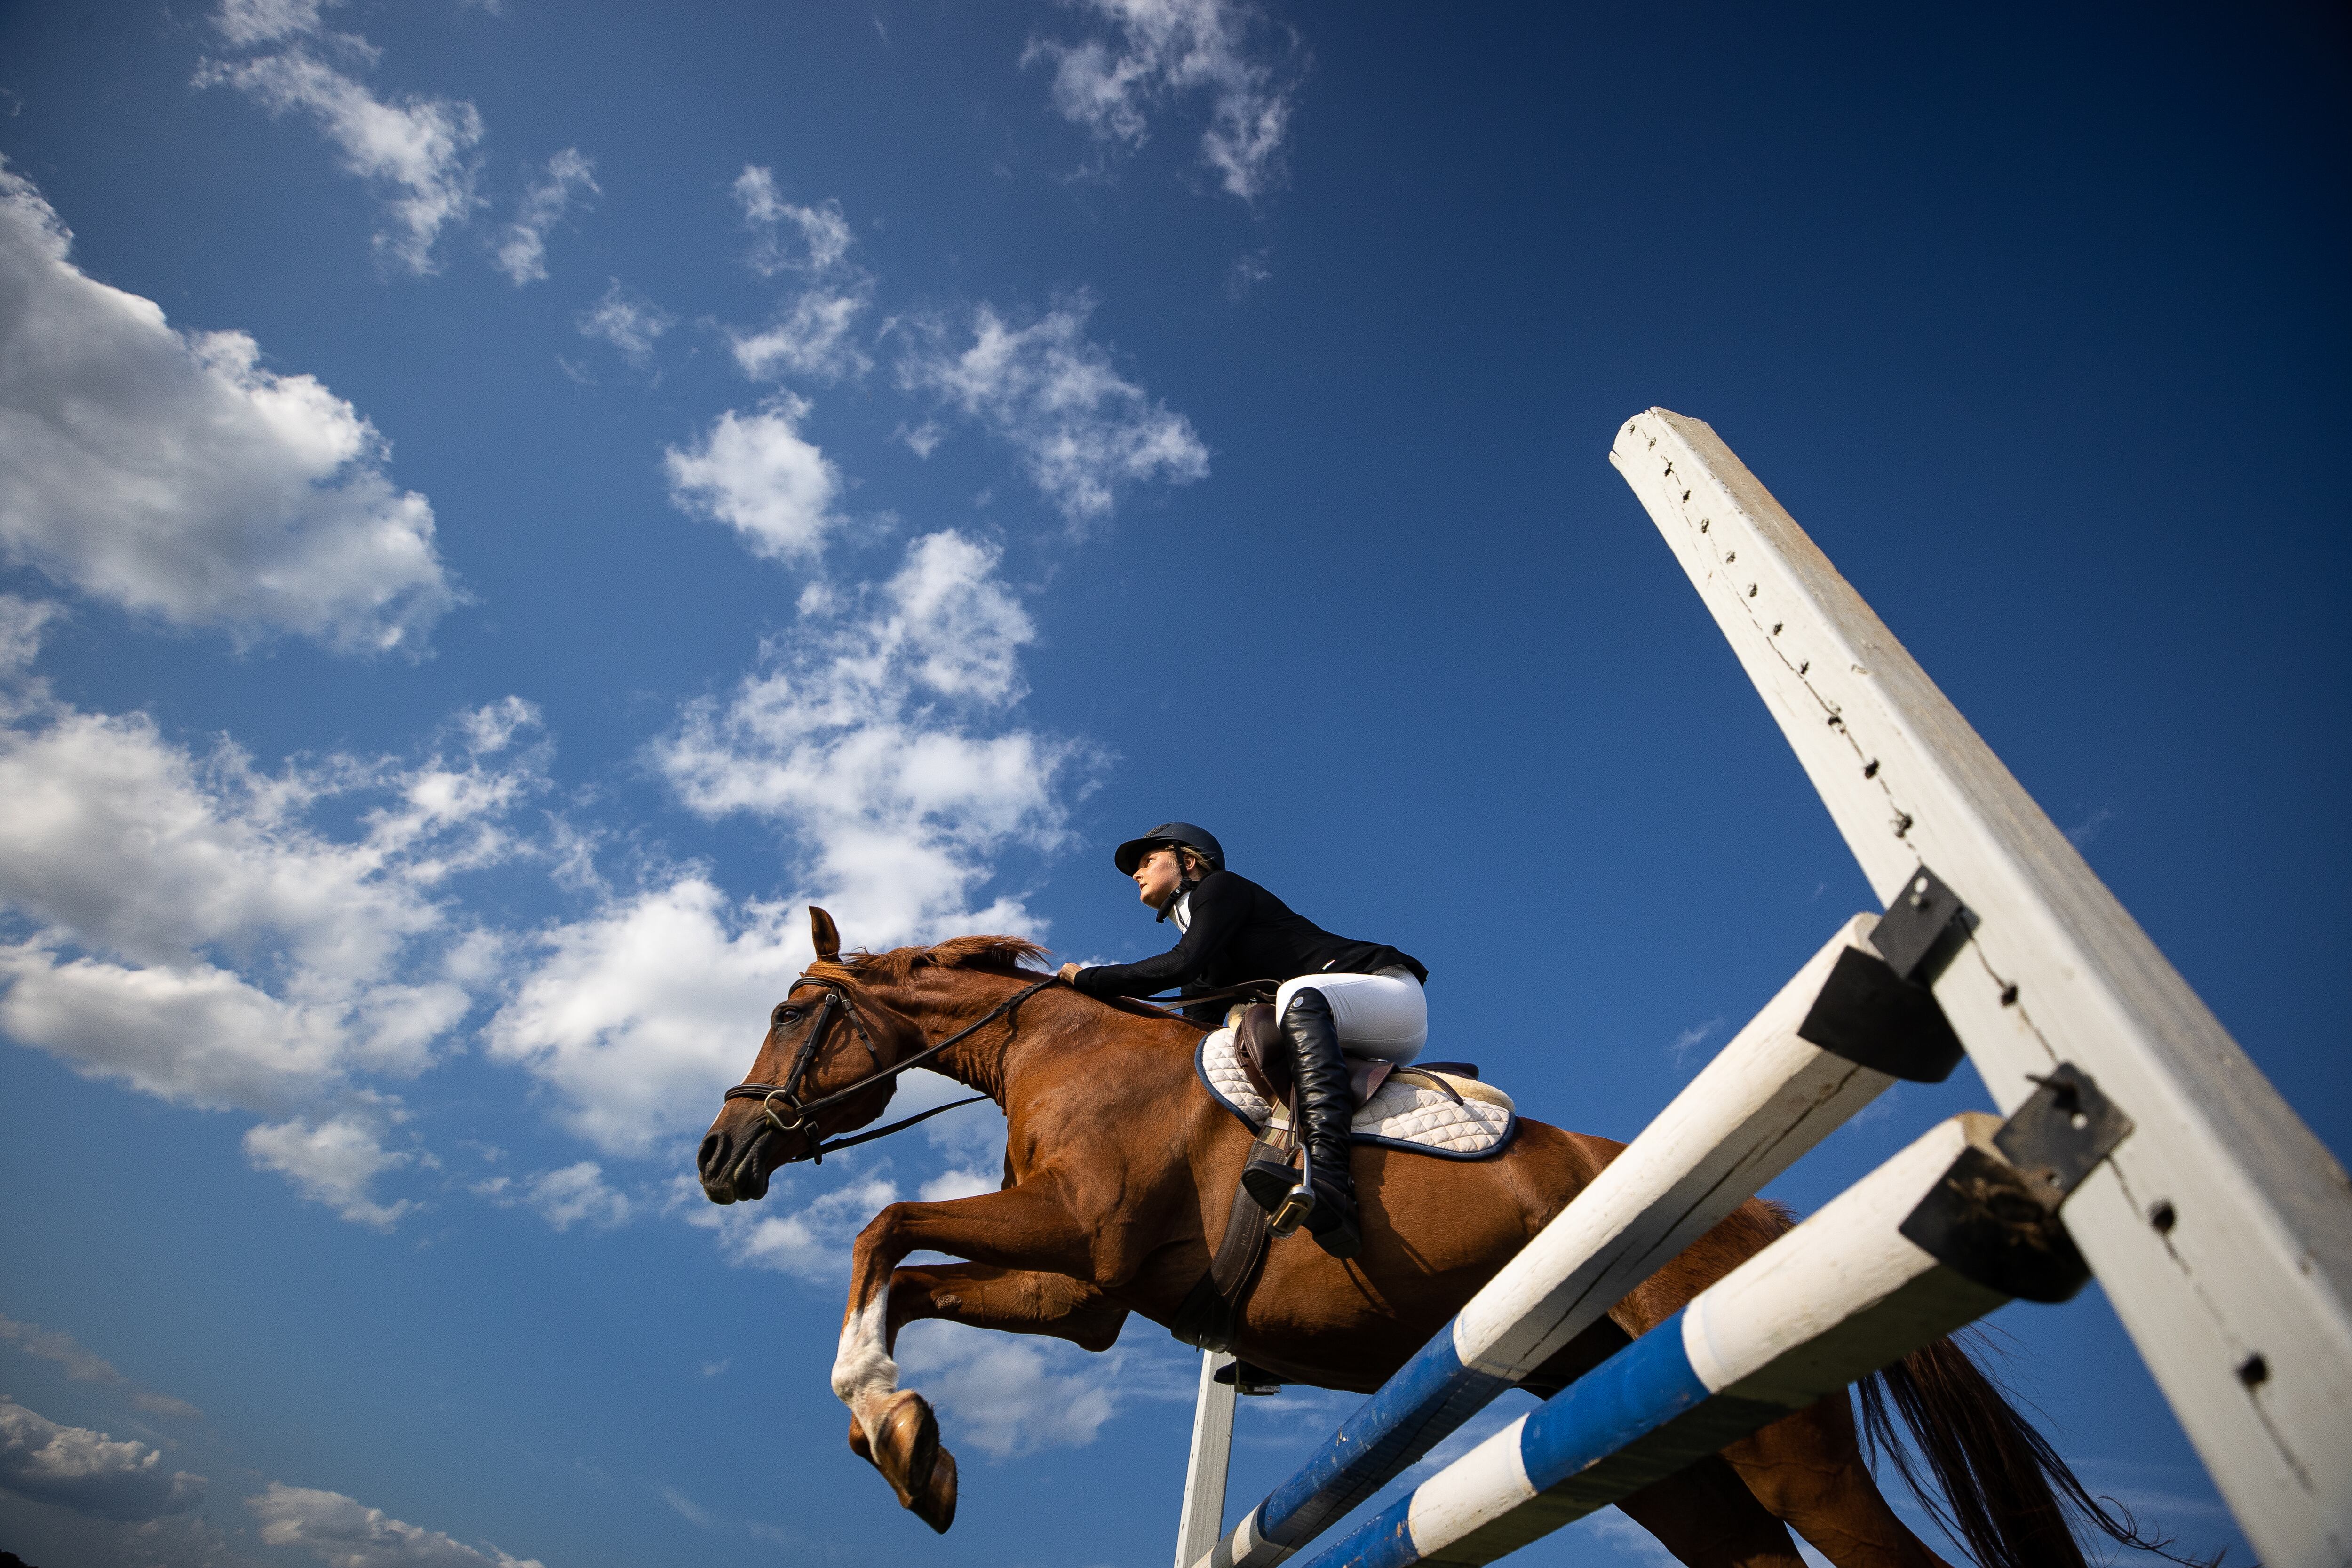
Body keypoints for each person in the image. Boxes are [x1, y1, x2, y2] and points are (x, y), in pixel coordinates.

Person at [1056, 821, 1427, 1260]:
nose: (1137, 874)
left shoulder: (1221, 889)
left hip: (1389, 997)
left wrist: (1090, 980)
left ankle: (1328, 1177)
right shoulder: (1208, 959)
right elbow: (1192, 1036)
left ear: (1188, 862)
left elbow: (1179, 964)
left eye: (1148, 861)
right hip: (1342, 1020)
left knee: (1294, 997)